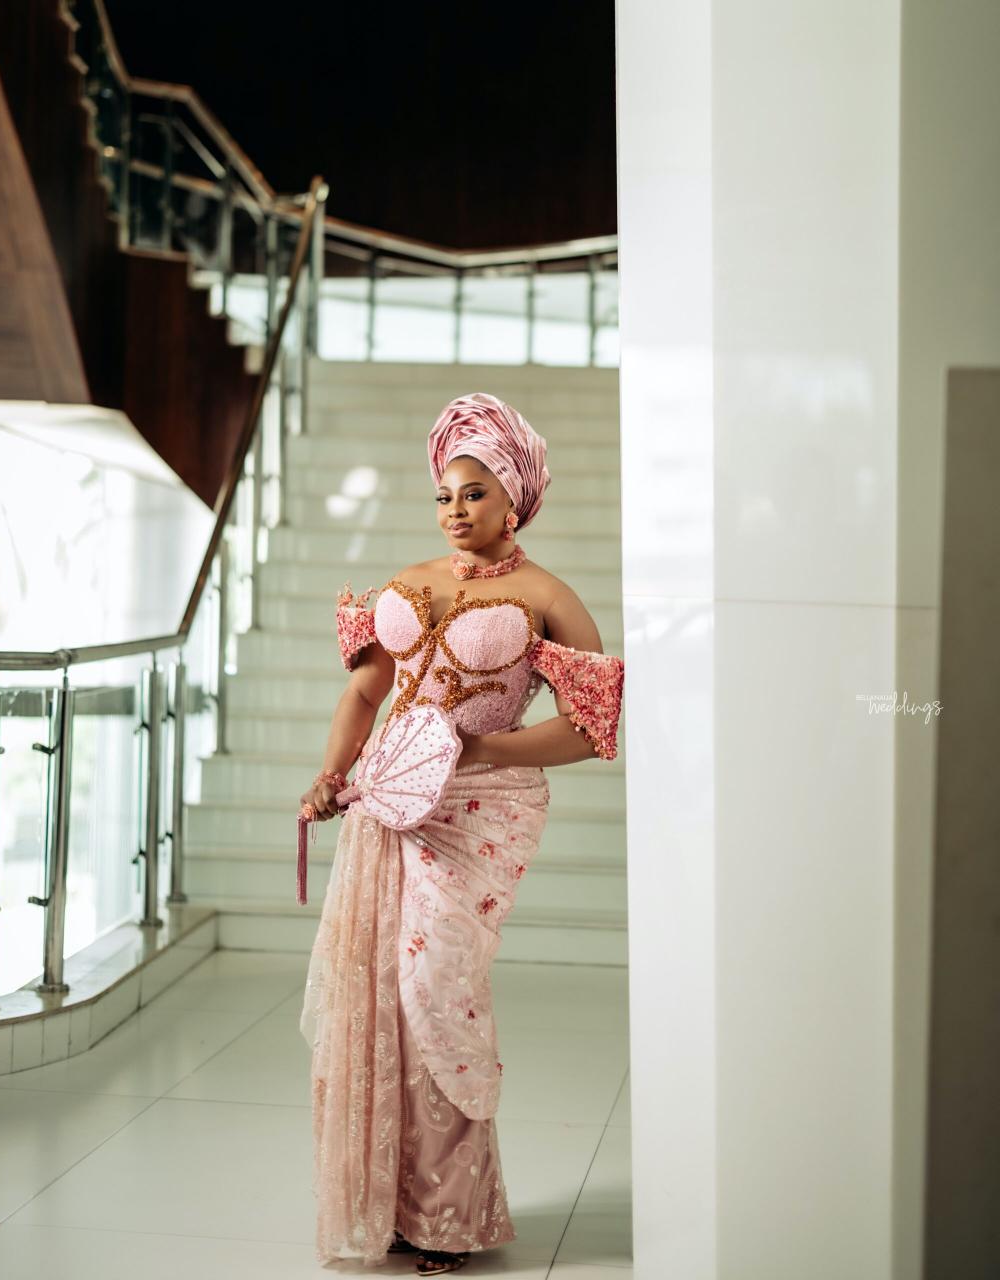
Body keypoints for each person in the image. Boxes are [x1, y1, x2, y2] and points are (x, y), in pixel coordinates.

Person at [298, 392, 624, 1275]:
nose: (455, 508)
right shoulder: (409, 580)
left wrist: (479, 745)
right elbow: (364, 692)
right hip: (389, 800)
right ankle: (392, 1209)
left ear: (514, 497)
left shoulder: (548, 597)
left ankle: (452, 1217)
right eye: (444, 494)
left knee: (434, 987)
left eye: (474, 492)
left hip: (484, 804)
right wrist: (330, 776)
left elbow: (592, 729)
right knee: (376, 995)